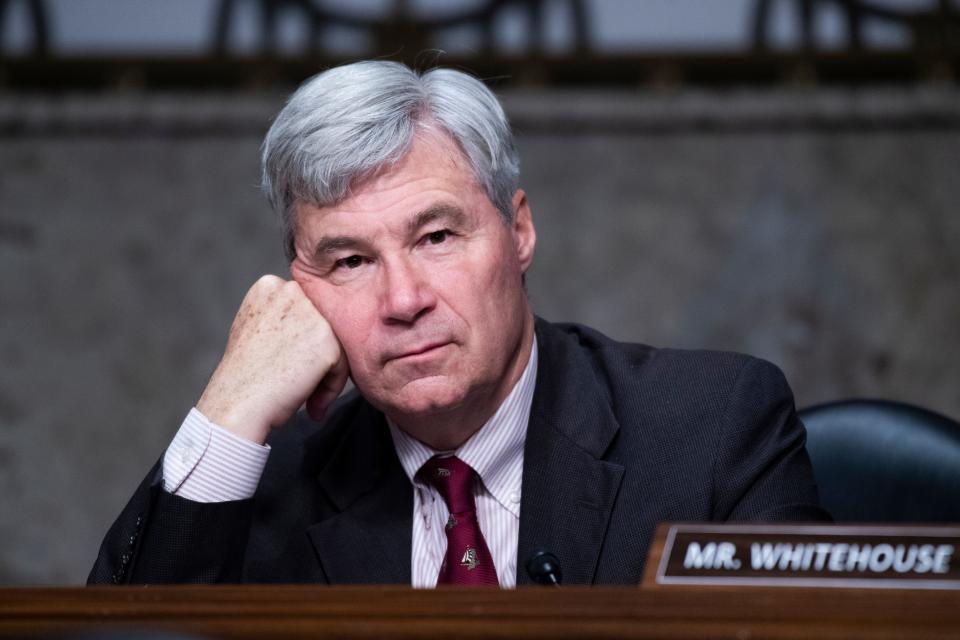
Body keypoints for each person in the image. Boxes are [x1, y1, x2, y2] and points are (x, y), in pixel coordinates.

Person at [89, 60, 829, 588]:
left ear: (519, 231)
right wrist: (229, 407)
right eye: (350, 261)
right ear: (299, 288)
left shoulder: (712, 429)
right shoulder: (270, 481)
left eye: (436, 237)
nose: (403, 299)